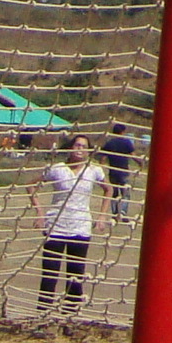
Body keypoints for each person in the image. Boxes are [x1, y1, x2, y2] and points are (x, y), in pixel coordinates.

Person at [34, 133, 103, 324]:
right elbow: (31, 186)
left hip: (81, 227)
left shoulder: (94, 170)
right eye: (77, 145)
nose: (80, 149)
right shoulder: (57, 169)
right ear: (70, 147)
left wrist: (102, 216)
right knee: (50, 272)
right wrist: (40, 213)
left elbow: (109, 189)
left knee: (75, 273)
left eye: (84, 146)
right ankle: (43, 316)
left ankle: (70, 316)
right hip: (56, 226)